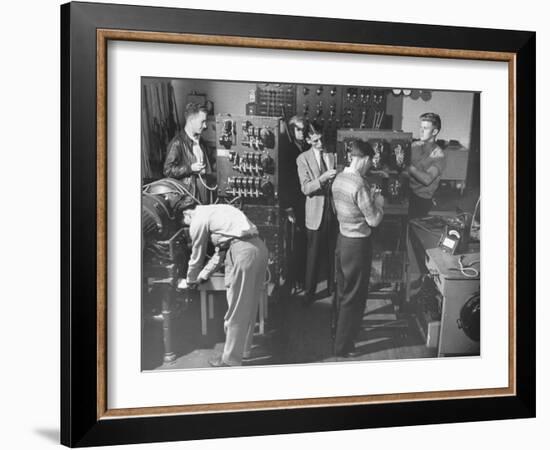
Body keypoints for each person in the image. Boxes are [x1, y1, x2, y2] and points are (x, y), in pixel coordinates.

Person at [183, 204, 268, 367]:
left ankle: (230, 361)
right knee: (248, 308)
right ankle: (243, 352)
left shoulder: (198, 218)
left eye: (186, 224)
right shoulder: (220, 213)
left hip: (244, 253)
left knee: (236, 311)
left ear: (187, 214)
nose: (189, 228)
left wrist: (190, 279)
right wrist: (203, 276)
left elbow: (197, 253)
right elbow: (220, 253)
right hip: (259, 249)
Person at [331, 139, 384, 357]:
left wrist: (367, 199)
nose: (371, 165)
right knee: (355, 296)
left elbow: (341, 209)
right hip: (358, 245)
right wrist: (379, 201)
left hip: (343, 241)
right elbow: (373, 221)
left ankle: (339, 335)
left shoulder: (339, 178)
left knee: (343, 293)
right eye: (370, 161)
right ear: (361, 159)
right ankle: (342, 347)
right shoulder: (359, 184)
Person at [296, 122, 338, 305]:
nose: (320, 144)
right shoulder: (302, 159)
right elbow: (305, 188)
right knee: (312, 256)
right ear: (307, 140)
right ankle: (309, 293)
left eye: (321, 139)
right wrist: (322, 179)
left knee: (332, 253)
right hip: (315, 214)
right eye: (315, 141)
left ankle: (331, 289)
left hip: (333, 211)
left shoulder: (332, 155)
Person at [163, 103, 214, 205]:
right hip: (189, 197)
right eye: (202, 122)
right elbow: (167, 171)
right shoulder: (177, 143)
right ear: (191, 121)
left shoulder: (201, 141)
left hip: (204, 191)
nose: (205, 125)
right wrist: (190, 168)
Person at [405, 112, 446, 218]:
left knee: (413, 228)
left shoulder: (439, 156)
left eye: (426, 128)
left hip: (421, 200)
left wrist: (409, 167)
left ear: (435, 131)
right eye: (420, 127)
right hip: (407, 193)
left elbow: (427, 179)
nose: (421, 131)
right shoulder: (414, 146)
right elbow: (402, 170)